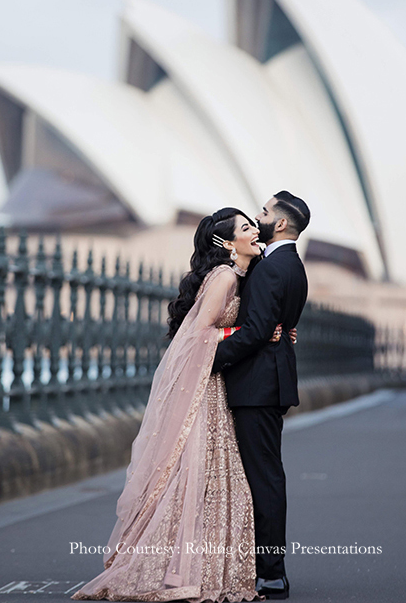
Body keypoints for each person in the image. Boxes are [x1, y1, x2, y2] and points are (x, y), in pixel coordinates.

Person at [71, 207, 294, 603]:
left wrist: (274, 328)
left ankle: (201, 566)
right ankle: (182, 568)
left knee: (211, 482)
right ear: (227, 243)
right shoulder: (225, 276)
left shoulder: (243, 274)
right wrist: (249, 332)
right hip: (207, 389)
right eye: (245, 228)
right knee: (196, 478)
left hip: (222, 386)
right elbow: (197, 335)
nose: (253, 230)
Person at [213, 191, 310, 601]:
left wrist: (205, 358)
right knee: (264, 475)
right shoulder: (291, 266)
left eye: (265, 212)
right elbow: (274, 326)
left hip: (257, 386)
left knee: (265, 478)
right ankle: (262, 567)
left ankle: (271, 572)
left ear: (282, 224)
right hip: (268, 381)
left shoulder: (272, 269)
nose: (259, 216)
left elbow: (255, 332)